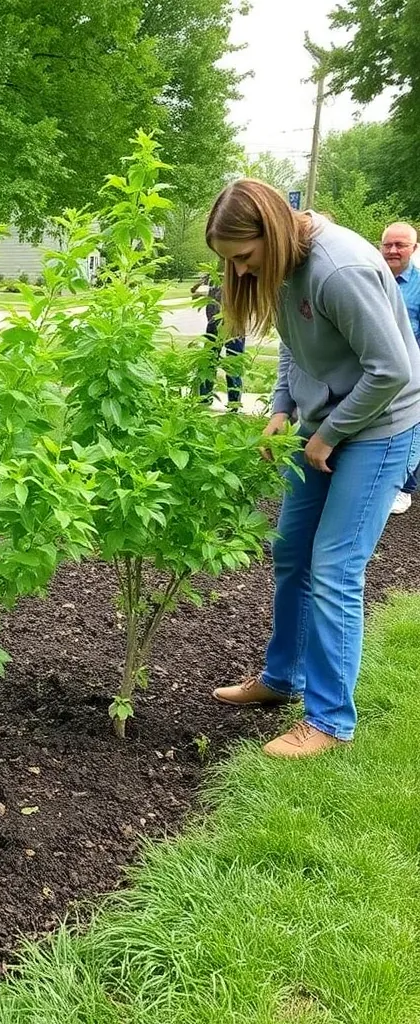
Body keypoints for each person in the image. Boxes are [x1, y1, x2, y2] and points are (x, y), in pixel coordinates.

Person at [206, 182, 420, 758]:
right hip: (325, 421)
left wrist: (327, 434)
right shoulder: (280, 266)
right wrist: (281, 406)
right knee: (292, 552)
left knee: (334, 568)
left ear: (271, 233)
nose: (240, 272)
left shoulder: (339, 268)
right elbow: (293, 346)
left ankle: (329, 720)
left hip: (381, 428)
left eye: (243, 256)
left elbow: (392, 369)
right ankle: (282, 680)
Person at [379, 221, 420, 513]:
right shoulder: (371, 276)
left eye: (400, 245)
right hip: (375, 372)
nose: (392, 250)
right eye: (388, 244)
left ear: (414, 249)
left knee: (413, 427)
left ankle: (405, 488)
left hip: (411, 374)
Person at [191, 271, 246, 409]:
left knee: (233, 363)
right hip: (214, 323)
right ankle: (204, 398)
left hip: (234, 324)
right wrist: (205, 281)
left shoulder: (240, 275)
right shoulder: (212, 276)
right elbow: (193, 292)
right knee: (208, 361)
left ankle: (234, 402)